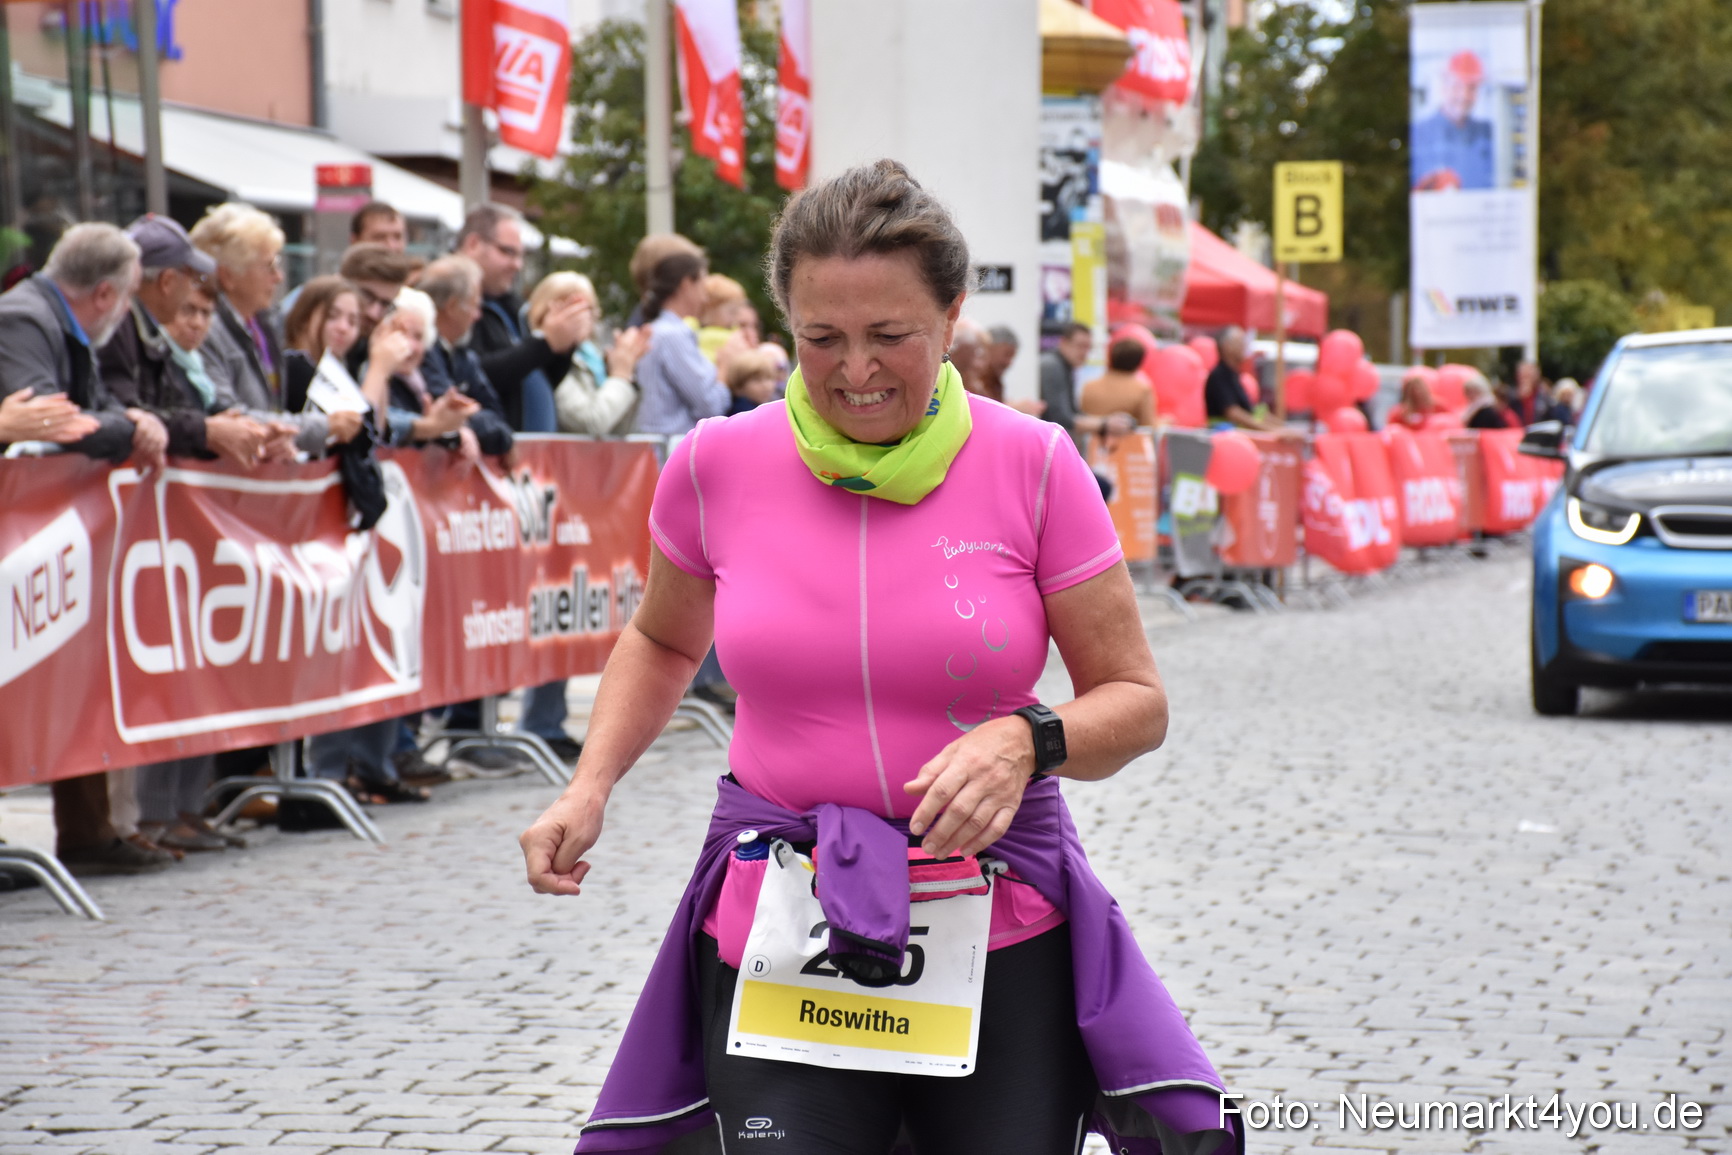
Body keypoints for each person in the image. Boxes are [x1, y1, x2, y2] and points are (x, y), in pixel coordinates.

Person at [519, 159, 1236, 1155]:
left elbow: (1135, 701)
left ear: (949, 317)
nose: (855, 369)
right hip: (781, 913)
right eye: (822, 339)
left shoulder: (1033, 466)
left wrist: (1024, 742)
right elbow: (661, 638)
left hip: (999, 922)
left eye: (889, 336)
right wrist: (588, 785)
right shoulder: (714, 465)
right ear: (784, 327)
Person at [0, 222, 175, 875]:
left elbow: (89, 409)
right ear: (106, 293)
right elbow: (56, 419)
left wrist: (123, 422)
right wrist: (127, 425)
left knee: (72, 671)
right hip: (24, 532)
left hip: (49, 534)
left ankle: (89, 832)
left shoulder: (64, 324)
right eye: (127, 299)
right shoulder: (24, 319)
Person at [190, 203, 335, 457]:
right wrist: (324, 427)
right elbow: (228, 414)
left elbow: (270, 408)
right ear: (228, 276)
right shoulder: (206, 330)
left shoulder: (262, 324)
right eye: (269, 266)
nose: (278, 277)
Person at [455, 202, 588, 432]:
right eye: (507, 252)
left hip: (531, 456)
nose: (517, 265)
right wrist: (544, 344)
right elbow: (475, 377)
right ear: (473, 244)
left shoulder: (513, 305)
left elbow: (539, 379)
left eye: (521, 255)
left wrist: (563, 345)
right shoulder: (450, 301)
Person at [633, 249, 736, 435]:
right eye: (702, 286)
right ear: (687, 284)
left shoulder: (661, 331)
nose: (705, 298)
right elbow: (710, 405)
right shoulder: (672, 335)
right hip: (670, 451)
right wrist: (723, 370)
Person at [536, 271, 648, 437]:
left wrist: (619, 370)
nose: (583, 318)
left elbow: (620, 430)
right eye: (573, 309)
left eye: (588, 310)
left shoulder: (591, 356)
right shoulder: (545, 358)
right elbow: (589, 422)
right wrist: (620, 376)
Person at [1411, 49, 1495, 191]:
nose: (1464, 95)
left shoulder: (1489, 133)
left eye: (1471, 88)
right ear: (1444, 86)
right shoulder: (1418, 133)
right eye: (1457, 86)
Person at [1039, 320, 1128, 446]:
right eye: (1080, 346)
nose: (1084, 353)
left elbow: (1071, 414)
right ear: (1063, 343)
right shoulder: (1053, 367)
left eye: (1088, 347)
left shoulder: (1063, 366)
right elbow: (1061, 419)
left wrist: (1104, 422)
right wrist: (1104, 424)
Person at [1204, 325, 1289, 434]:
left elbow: (1253, 412)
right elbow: (1233, 413)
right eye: (1240, 342)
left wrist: (1283, 428)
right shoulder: (1218, 376)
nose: (1244, 346)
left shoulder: (1233, 375)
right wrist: (1271, 431)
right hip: (1227, 439)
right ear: (1227, 346)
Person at [1081, 336, 1157, 429]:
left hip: (1089, 441)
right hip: (1124, 442)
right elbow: (1148, 425)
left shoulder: (1089, 386)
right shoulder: (1142, 390)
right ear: (1138, 362)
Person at [723, 348, 779, 415]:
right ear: (739, 386)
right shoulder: (743, 413)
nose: (766, 385)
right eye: (757, 380)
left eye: (769, 378)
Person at [979, 323, 1018, 402]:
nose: (1009, 363)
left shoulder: (995, 383)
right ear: (989, 347)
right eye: (1007, 354)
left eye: (1012, 357)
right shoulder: (971, 377)